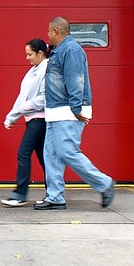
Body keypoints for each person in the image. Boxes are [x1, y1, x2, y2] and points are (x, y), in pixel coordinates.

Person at [33, 16, 116, 211]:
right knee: (51, 155)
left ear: (56, 31)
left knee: (67, 152)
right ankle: (55, 197)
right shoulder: (59, 50)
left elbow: (75, 79)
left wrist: (77, 108)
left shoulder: (71, 50)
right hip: (56, 111)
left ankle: (104, 183)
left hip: (68, 111)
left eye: (48, 31)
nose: (47, 35)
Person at [0, 38, 49, 207]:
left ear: (40, 53)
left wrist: (25, 107)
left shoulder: (47, 70)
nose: (27, 58)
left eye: (30, 54)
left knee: (23, 153)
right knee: (44, 158)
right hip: (32, 118)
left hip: (39, 119)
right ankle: (53, 193)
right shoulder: (33, 71)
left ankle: (20, 194)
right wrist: (12, 117)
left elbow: (44, 98)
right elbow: (22, 98)